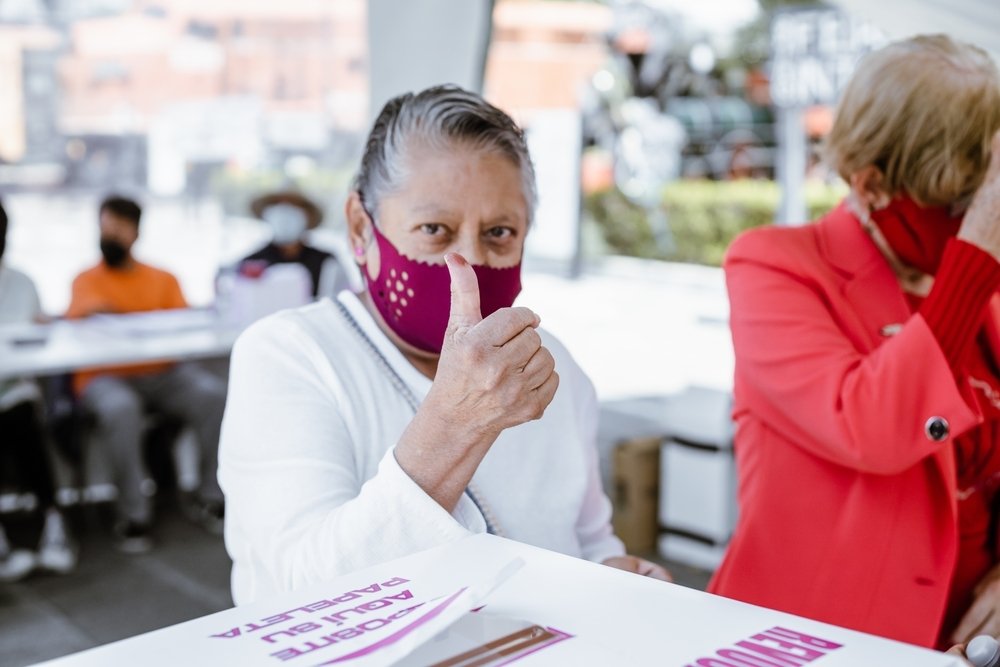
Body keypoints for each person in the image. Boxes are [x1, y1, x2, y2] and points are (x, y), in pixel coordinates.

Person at [219, 85, 670, 605]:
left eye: (499, 233)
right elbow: (298, 595)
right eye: (435, 229)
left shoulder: (552, 365)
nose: (469, 263)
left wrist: (615, 575)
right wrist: (456, 426)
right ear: (361, 230)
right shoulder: (289, 356)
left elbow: (588, 539)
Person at [709, 35, 1000, 651]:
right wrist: (972, 261)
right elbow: (871, 427)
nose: (979, 220)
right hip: (816, 642)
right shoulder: (775, 268)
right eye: (959, 202)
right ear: (871, 186)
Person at [66, 195, 227, 553]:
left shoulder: (162, 278)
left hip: (161, 372)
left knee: (213, 396)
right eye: (105, 227)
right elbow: (83, 320)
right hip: (104, 376)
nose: (111, 235)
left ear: (135, 232)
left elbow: (183, 326)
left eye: (119, 228)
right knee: (121, 410)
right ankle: (133, 514)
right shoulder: (86, 280)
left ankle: (211, 497)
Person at [0, 198, 77, 579]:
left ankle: (53, 522)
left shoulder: (21, 282)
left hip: (13, 390)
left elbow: (36, 340)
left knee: (22, 422)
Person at [242, 191, 349, 298]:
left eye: (292, 205)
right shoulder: (251, 262)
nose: (284, 212)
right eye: (277, 205)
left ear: (308, 216)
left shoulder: (326, 261)